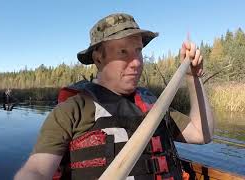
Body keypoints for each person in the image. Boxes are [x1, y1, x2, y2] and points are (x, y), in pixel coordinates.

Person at [15, 13, 214, 180]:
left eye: (138, 51)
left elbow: (201, 134)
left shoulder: (154, 106)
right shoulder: (72, 111)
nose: (136, 62)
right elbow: (37, 170)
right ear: (98, 58)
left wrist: (193, 77)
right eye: (123, 52)